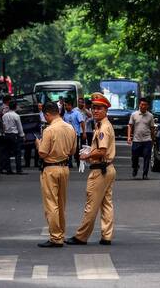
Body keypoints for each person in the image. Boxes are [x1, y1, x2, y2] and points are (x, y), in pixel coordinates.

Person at [66, 92, 116, 246]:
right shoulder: (102, 125)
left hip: (100, 170)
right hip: (108, 168)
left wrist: (86, 156)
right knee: (106, 204)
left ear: (106, 110)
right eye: (93, 108)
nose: (95, 111)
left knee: (91, 204)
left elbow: (101, 151)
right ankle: (107, 236)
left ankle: (81, 236)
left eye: (99, 108)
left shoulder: (103, 128)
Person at [35, 101, 77, 248]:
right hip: (64, 168)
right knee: (61, 203)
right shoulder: (70, 128)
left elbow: (42, 152)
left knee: (51, 204)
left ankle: (56, 237)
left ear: (47, 114)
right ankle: (61, 233)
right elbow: (73, 151)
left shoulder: (49, 130)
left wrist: (38, 143)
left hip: (50, 169)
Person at [127, 97, 155, 179]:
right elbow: (130, 126)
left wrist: (153, 140)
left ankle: (145, 174)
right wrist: (129, 137)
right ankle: (135, 167)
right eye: (142, 104)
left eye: (145, 105)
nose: (143, 106)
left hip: (147, 140)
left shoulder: (150, 116)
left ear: (147, 106)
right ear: (139, 105)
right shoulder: (134, 115)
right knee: (134, 157)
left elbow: (152, 128)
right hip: (136, 140)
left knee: (147, 157)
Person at [1, 98, 26, 174]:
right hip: (14, 135)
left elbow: (4, 126)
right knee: (17, 152)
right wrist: (22, 135)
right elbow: (19, 127)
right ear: (15, 107)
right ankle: (18, 169)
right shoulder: (16, 116)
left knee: (7, 153)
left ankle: (8, 170)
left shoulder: (4, 116)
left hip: (6, 135)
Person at [63, 99, 86, 168]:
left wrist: (84, 132)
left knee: (76, 149)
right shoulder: (65, 114)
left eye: (66, 105)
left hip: (75, 134)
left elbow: (82, 122)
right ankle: (69, 163)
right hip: (67, 135)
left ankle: (79, 163)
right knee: (68, 149)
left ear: (70, 106)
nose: (65, 107)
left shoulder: (77, 113)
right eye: (64, 105)